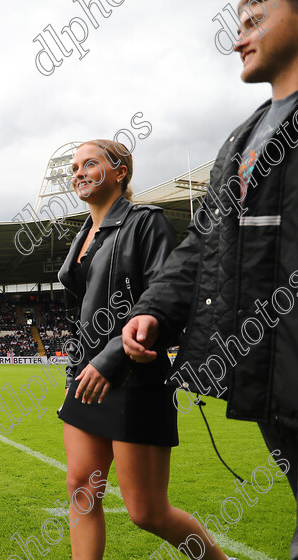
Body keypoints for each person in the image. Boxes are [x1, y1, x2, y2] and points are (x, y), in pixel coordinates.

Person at [123, 1, 298, 558]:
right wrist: (155, 309)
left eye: (254, 22)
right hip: (275, 375)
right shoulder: (241, 138)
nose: (237, 39)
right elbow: (203, 244)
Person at [57, 140, 231, 560]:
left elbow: (163, 296)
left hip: (134, 375)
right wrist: (80, 363)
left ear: (120, 172)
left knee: (148, 512)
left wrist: (113, 356)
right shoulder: (82, 233)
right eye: (74, 167)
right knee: (82, 489)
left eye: (90, 163)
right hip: (85, 376)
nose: (77, 172)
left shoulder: (146, 221)